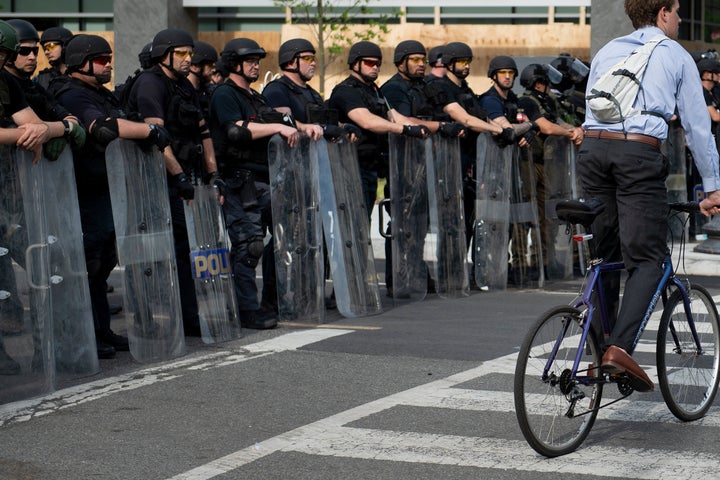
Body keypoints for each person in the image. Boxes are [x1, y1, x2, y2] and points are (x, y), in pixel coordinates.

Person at [580, 0, 720, 392]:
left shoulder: (608, 50)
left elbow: (593, 108)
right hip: (636, 155)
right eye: (677, 11)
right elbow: (697, 128)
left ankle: (595, 353)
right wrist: (713, 187)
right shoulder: (675, 55)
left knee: (604, 257)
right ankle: (618, 350)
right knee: (648, 260)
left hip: (592, 152)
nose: (679, 18)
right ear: (662, 13)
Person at [55, 34, 172, 358]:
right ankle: (86, 333)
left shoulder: (98, 93)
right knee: (89, 263)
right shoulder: (73, 94)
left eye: (109, 59)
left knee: (104, 260)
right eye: (102, 59)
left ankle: (100, 329)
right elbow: (103, 128)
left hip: (110, 187)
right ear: (82, 62)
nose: (108, 65)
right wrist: (150, 131)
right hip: (86, 190)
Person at [209, 38, 320, 329]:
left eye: (258, 60)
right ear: (234, 63)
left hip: (267, 180)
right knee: (250, 246)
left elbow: (280, 120)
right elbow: (235, 130)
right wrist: (279, 127)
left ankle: (274, 300)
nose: (256, 65)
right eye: (250, 61)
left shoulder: (256, 97)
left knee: (286, 238)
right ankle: (247, 309)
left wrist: (302, 126)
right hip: (239, 181)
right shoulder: (225, 94)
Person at [125, 28, 221, 338]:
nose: (187, 58)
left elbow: (203, 132)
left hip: (183, 179)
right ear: (163, 54)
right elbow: (156, 138)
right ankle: (144, 318)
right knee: (149, 250)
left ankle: (188, 316)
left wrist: (212, 173)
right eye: (180, 53)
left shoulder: (184, 86)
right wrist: (177, 176)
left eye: (189, 53)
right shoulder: (150, 84)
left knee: (184, 249)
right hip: (154, 181)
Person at [0, 20, 73, 373]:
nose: (4, 60)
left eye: (4, 54)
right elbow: (23, 132)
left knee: (44, 262)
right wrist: (20, 137)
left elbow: (36, 124)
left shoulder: (7, 82)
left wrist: (49, 129)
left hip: (10, 199)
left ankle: (46, 351)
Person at [380, 40, 466, 296]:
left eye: (422, 59)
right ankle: (400, 276)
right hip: (404, 164)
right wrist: (440, 127)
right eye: (415, 60)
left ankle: (415, 270)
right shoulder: (394, 88)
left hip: (427, 163)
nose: (421, 64)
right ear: (400, 62)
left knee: (419, 223)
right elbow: (406, 121)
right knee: (405, 223)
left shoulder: (426, 86)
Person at [424, 42, 511, 264]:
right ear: (450, 64)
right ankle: (449, 270)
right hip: (449, 162)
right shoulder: (439, 87)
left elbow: (481, 116)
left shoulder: (466, 90)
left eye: (468, 62)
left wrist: (507, 129)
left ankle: (459, 267)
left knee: (467, 220)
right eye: (462, 62)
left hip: (470, 162)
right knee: (452, 220)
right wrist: (499, 130)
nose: (466, 66)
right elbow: (464, 119)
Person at [328, 40, 430, 220]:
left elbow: (393, 115)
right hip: (349, 167)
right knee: (353, 223)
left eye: (378, 63)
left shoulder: (374, 90)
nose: (375, 67)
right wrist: (405, 129)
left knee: (363, 222)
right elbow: (367, 121)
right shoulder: (346, 90)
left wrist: (421, 129)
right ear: (355, 64)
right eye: (369, 63)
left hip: (369, 166)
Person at [517, 63, 584, 279]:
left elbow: (559, 122)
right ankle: (527, 261)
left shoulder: (550, 100)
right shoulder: (527, 101)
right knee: (529, 214)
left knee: (548, 214)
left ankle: (546, 259)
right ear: (539, 83)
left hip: (548, 162)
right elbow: (545, 126)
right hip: (529, 162)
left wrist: (574, 130)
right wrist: (568, 134)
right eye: (545, 82)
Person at [35, 26, 73, 95]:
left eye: (51, 46)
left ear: (65, 46)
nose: (46, 52)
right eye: (44, 48)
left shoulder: (80, 76)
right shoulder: (40, 79)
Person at [187, 40, 218, 120]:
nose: (214, 70)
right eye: (211, 65)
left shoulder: (209, 92)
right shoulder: (182, 93)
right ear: (195, 67)